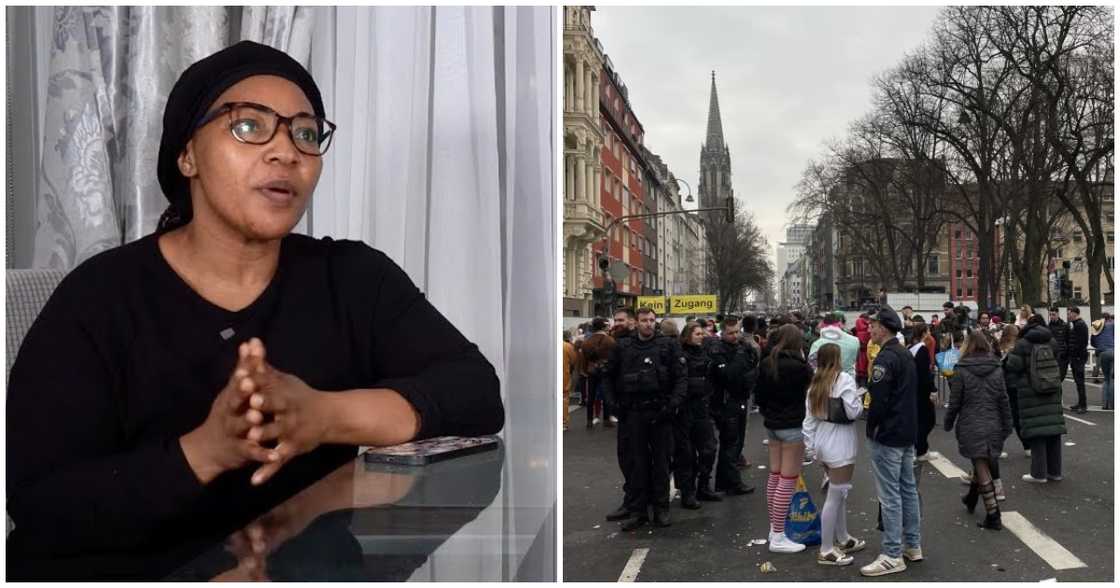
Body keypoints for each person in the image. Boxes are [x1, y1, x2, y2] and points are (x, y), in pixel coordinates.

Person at [6, 41, 504, 557]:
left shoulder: (353, 278)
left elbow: (475, 393)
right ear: (187, 154)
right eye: (248, 125)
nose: (286, 151)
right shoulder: (99, 298)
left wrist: (322, 417)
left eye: (306, 133)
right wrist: (206, 451)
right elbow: (41, 508)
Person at [602, 307, 687, 530]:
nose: (648, 324)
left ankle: (661, 509)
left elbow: (680, 378)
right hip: (633, 413)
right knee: (636, 463)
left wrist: (672, 405)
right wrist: (613, 406)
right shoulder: (623, 347)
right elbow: (608, 378)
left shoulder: (668, 345)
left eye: (651, 320)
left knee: (661, 463)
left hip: (661, 412)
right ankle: (638, 511)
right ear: (636, 323)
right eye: (644, 320)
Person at [860, 306, 921, 577]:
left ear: (883, 328)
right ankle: (913, 544)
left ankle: (892, 553)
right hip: (907, 431)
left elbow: (879, 401)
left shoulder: (885, 359)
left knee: (890, 495)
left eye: (873, 325)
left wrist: (871, 426)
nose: (869, 330)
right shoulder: (905, 353)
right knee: (907, 489)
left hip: (889, 433)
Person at [802, 344, 865, 566]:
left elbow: (808, 420)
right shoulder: (844, 380)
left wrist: (810, 448)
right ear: (838, 358)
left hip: (822, 442)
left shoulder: (815, 384)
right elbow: (852, 411)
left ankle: (843, 537)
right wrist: (858, 399)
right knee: (836, 495)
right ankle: (827, 548)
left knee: (837, 492)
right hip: (841, 443)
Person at [755, 324, 814, 554]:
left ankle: (774, 528)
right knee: (787, 480)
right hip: (793, 426)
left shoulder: (766, 363)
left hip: (772, 425)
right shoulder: (801, 368)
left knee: (775, 476)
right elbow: (810, 396)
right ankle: (778, 536)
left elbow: (758, 396)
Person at [944, 334, 1012, 530]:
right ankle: (972, 498)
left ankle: (993, 513)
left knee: (980, 463)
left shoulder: (961, 369)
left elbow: (955, 401)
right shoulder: (997, 368)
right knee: (982, 458)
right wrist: (1007, 424)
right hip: (993, 421)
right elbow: (1003, 399)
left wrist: (948, 422)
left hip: (971, 422)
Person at [1004, 315, 1067, 483]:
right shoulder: (1051, 342)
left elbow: (1013, 366)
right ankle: (1055, 472)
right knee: (1053, 432)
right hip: (1052, 388)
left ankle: (1038, 474)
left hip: (1030, 390)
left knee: (1037, 432)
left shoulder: (1023, 344)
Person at [707, 317, 759, 496]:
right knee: (731, 442)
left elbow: (752, 367)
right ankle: (732, 482)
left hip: (740, 398)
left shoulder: (743, 347)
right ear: (723, 332)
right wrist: (740, 359)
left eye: (737, 331)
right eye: (730, 333)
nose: (735, 336)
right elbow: (727, 376)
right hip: (725, 401)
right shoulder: (718, 350)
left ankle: (725, 481)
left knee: (736, 442)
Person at [675, 322, 721, 507]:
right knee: (686, 454)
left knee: (708, 448)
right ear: (687, 336)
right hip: (684, 409)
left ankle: (703, 485)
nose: (701, 336)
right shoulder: (679, 355)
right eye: (697, 334)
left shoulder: (705, 353)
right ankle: (688, 491)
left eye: (702, 333)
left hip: (702, 407)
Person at [909, 323, 937, 462]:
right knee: (928, 420)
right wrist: (932, 389)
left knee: (920, 420)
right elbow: (925, 373)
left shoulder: (910, 348)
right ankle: (921, 449)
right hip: (922, 390)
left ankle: (922, 448)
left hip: (913, 389)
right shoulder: (922, 350)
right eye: (928, 331)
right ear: (924, 333)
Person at [998, 325, 1028, 455]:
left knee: (1012, 418)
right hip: (1013, 385)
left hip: (1006, 386)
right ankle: (1027, 447)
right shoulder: (1015, 348)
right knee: (1014, 418)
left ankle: (1027, 446)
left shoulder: (1000, 347)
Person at [809, 311, 861, 376]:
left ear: (822, 326)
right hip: (849, 380)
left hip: (825, 381)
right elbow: (857, 360)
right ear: (840, 324)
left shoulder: (816, 345)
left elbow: (812, 367)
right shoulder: (855, 341)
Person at [1065, 306, 1090, 414]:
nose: (1068, 315)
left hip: (1078, 357)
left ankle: (1083, 405)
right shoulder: (1076, 325)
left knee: (1080, 382)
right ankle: (1080, 403)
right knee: (1078, 382)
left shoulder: (1080, 325)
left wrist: (1076, 355)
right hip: (1076, 357)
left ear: (1075, 313)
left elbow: (1081, 343)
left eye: (1069, 313)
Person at [1091, 315, 1114, 411]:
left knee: (1106, 379)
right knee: (1113, 379)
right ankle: (1113, 404)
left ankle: (1105, 405)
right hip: (1113, 351)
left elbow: (1093, 343)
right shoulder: (1112, 325)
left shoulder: (1096, 328)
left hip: (1102, 354)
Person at [1048, 306, 1070, 385]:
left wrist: (1067, 354)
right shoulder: (1048, 327)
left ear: (1057, 314)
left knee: (1061, 376)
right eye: (1050, 315)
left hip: (1062, 356)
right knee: (1053, 378)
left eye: (1053, 314)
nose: (1052, 317)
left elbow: (1069, 340)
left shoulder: (1064, 326)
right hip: (1051, 356)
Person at [563, 332, 577, 431]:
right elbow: (573, 360)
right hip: (564, 376)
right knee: (563, 400)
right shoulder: (567, 346)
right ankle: (563, 422)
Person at [855, 313, 872, 387]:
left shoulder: (857, 332)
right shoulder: (870, 330)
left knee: (861, 371)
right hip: (868, 353)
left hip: (860, 355)